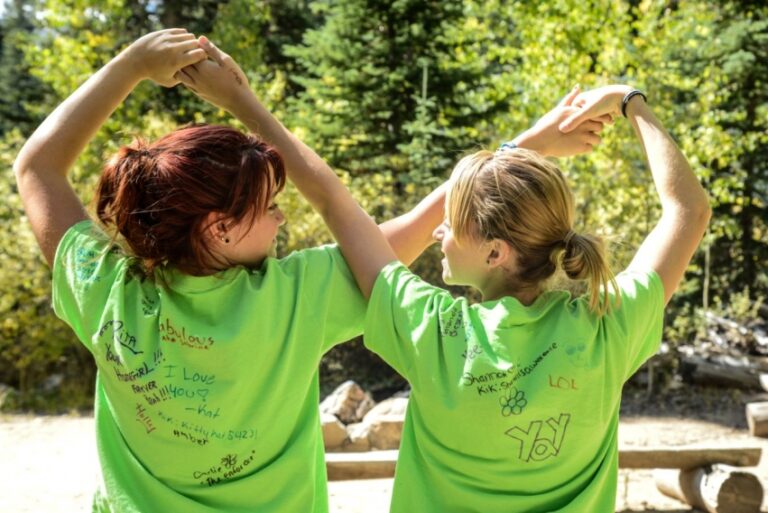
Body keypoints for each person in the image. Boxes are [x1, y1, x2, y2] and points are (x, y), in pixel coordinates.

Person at [14, 29, 607, 513]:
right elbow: (409, 229)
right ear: (219, 229)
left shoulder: (106, 290)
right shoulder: (298, 296)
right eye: (268, 207)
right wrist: (524, 149)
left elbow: (37, 168)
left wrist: (133, 65)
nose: (281, 219)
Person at [186, 40, 709, 511]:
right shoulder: (607, 324)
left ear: (495, 253)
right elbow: (688, 209)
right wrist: (627, 101)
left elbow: (332, 200)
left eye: (451, 225)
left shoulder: (433, 332)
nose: (437, 233)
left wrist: (242, 103)